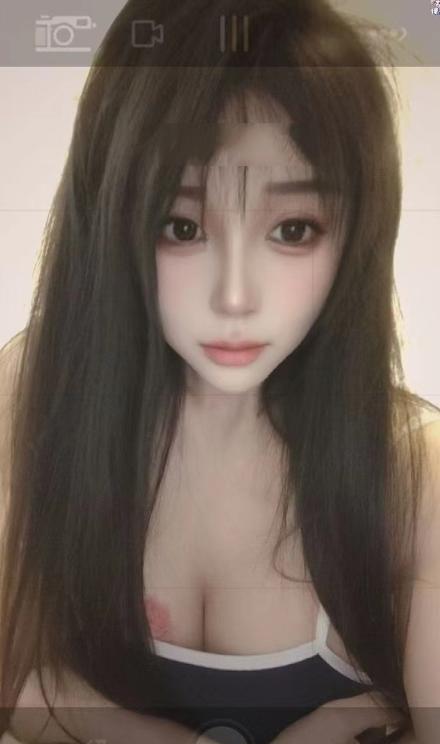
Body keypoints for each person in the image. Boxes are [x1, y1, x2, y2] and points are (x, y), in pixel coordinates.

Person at [1, 0, 439, 742]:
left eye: (292, 230)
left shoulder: (413, 474)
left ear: (358, 233)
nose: (234, 297)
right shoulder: (38, 394)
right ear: (113, 214)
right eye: (183, 226)